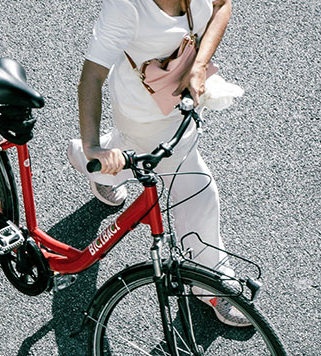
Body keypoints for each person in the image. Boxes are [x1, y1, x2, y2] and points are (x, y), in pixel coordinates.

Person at [68, 0, 250, 326]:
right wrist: (94, 144)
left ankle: (95, 165)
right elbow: (92, 75)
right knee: (197, 189)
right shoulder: (126, 8)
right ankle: (209, 280)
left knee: (131, 156)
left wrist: (198, 66)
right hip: (144, 115)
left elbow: (222, 5)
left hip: (178, 102)